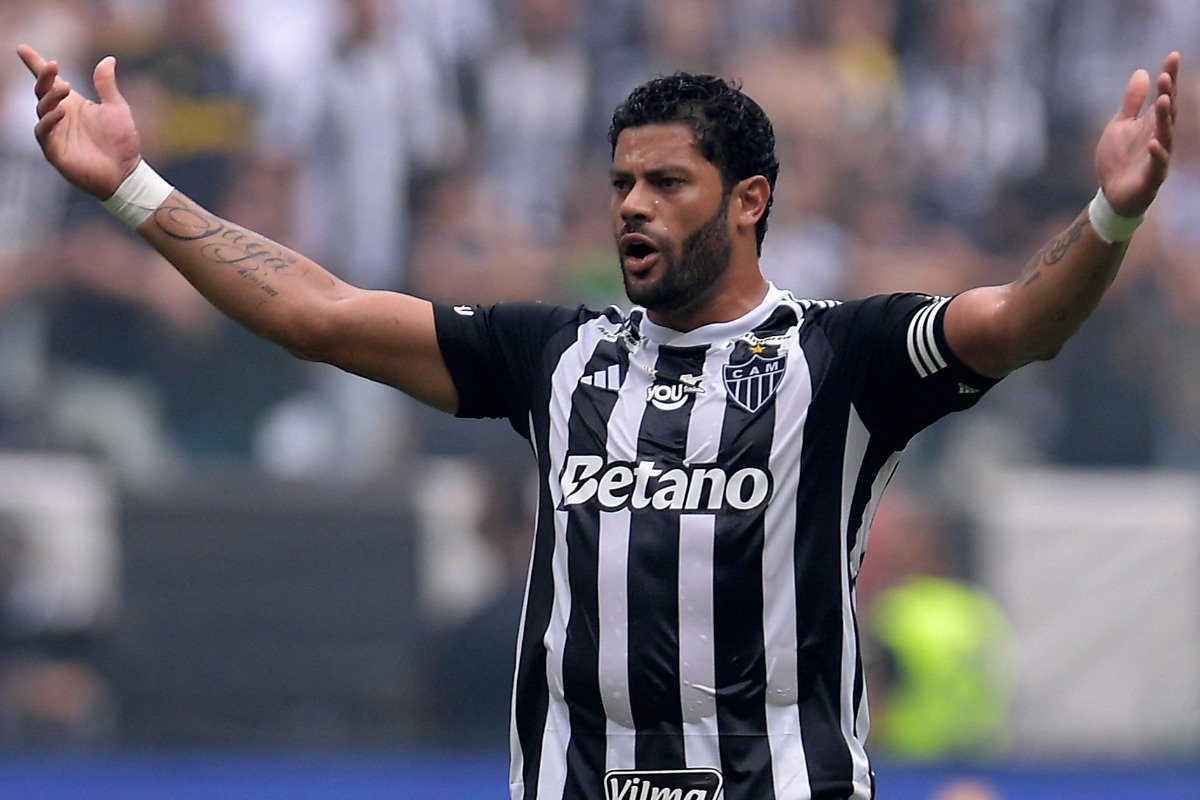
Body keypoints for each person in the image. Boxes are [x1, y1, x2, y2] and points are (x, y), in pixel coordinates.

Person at [14, 41, 1179, 800]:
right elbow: (321, 314)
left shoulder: (846, 352)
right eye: (622, 181)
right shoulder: (556, 350)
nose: (633, 204)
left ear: (749, 199)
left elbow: (1026, 321)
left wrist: (1111, 218)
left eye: (666, 182)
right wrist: (133, 188)